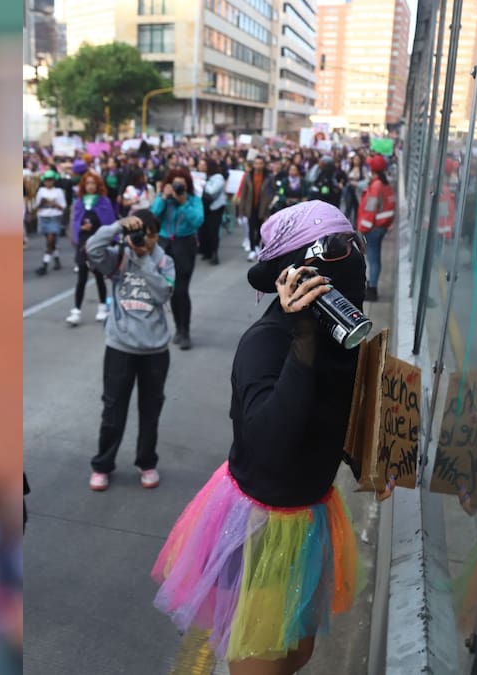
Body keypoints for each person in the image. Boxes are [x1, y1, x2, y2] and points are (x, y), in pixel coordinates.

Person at [152, 201, 364, 674]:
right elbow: (269, 444)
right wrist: (302, 339)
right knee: (260, 665)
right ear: (294, 273)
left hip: (311, 517)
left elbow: (338, 422)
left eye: (355, 243)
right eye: (334, 248)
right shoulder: (267, 342)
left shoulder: (343, 339)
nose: (353, 257)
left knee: (297, 655)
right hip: (262, 529)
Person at [85, 210, 175, 492]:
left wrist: (145, 259)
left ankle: (146, 462)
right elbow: (92, 249)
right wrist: (116, 226)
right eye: (137, 232)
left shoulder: (164, 260)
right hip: (120, 346)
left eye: (148, 233)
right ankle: (102, 465)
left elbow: (163, 293)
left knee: (150, 410)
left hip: (155, 350)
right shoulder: (119, 257)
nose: (142, 239)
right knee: (112, 410)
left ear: (156, 235)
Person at [152, 167, 205, 350]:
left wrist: (183, 203)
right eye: (174, 182)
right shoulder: (164, 199)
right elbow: (153, 216)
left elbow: (198, 221)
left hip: (185, 245)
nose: (177, 186)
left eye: (181, 183)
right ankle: (177, 327)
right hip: (165, 245)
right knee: (171, 290)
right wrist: (163, 198)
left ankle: (186, 331)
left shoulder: (193, 200)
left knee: (182, 289)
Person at [356, 154, 396, 301]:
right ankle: (372, 285)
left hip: (372, 228)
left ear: (373, 169)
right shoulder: (386, 184)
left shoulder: (376, 185)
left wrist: (362, 228)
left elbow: (369, 210)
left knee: (373, 259)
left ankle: (372, 289)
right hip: (381, 226)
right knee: (375, 258)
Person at [67, 210, 110, 325]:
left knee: (99, 278)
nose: (90, 189)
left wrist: (94, 230)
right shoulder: (80, 205)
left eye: (93, 189)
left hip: (97, 247)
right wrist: (81, 229)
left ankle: (102, 307)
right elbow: (74, 226)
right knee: (81, 280)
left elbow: (107, 225)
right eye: (87, 189)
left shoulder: (103, 204)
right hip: (82, 247)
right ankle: (76, 310)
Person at [237, 157, 275, 263]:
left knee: (260, 228)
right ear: (253, 164)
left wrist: (268, 203)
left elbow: (272, 191)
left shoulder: (269, 177)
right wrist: (241, 209)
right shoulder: (248, 176)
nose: (258, 165)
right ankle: (252, 248)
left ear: (263, 164)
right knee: (251, 227)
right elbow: (244, 193)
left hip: (263, 206)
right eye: (256, 163)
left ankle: (257, 245)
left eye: (260, 163)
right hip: (250, 206)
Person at [35, 169, 67, 275]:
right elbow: (37, 207)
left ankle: (45, 263)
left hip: (54, 218)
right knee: (51, 241)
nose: (48, 182)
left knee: (50, 239)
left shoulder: (58, 191)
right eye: (46, 180)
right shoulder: (41, 191)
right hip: (43, 218)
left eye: (50, 180)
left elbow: (63, 207)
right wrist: (42, 202)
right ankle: (56, 258)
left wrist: (55, 204)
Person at [200, 159, 229, 266]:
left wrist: (203, 184)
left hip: (215, 208)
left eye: (204, 165)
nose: (201, 167)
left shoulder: (218, 178)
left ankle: (214, 254)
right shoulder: (203, 176)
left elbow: (212, 191)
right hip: (205, 207)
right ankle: (207, 251)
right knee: (205, 230)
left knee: (213, 231)